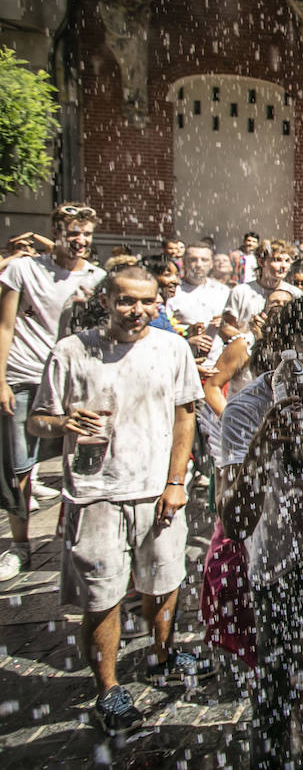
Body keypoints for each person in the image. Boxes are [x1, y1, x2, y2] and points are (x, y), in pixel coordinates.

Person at [28, 265, 207, 733]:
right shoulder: (73, 351)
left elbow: (185, 417)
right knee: (102, 597)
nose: (138, 311)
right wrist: (62, 423)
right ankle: (107, 689)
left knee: (164, 582)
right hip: (94, 494)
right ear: (105, 299)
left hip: (156, 491)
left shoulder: (172, 348)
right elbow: (37, 420)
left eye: (147, 301)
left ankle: (161, 655)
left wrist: (176, 482)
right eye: (127, 300)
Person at [216, 295, 303, 766]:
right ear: (283, 344)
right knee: (277, 686)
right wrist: (262, 447)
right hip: (278, 564)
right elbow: (235, 521)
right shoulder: (246, 407)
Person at [0, 202, 106, 580]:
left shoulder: (97, 277)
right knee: (19, 466)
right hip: (24, 373)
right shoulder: (23, 269)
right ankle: (20, 544)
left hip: (74, 378)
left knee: (80, 457)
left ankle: (74, 537)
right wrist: (0, 379)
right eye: (73, 233)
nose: (80, 240)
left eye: (86, 234)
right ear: (57, 232)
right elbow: (5, 326)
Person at [220, 239, 302, 340]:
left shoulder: (295, 293)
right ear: (261, 262)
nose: (284, 266)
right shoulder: (241, 291)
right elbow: (225, 327)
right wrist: (247, 341)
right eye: (277, 260)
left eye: (287, 261)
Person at [168, 241, 229, 342]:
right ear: (183, 262)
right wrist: (187, 335)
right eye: (193, 260)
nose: (199, 264)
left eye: (204, 260)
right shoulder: (174, 292)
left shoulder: (223, 291)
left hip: (217, 354)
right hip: (184, 353)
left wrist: (224, 322)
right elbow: (163, 329)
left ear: (211, 264)